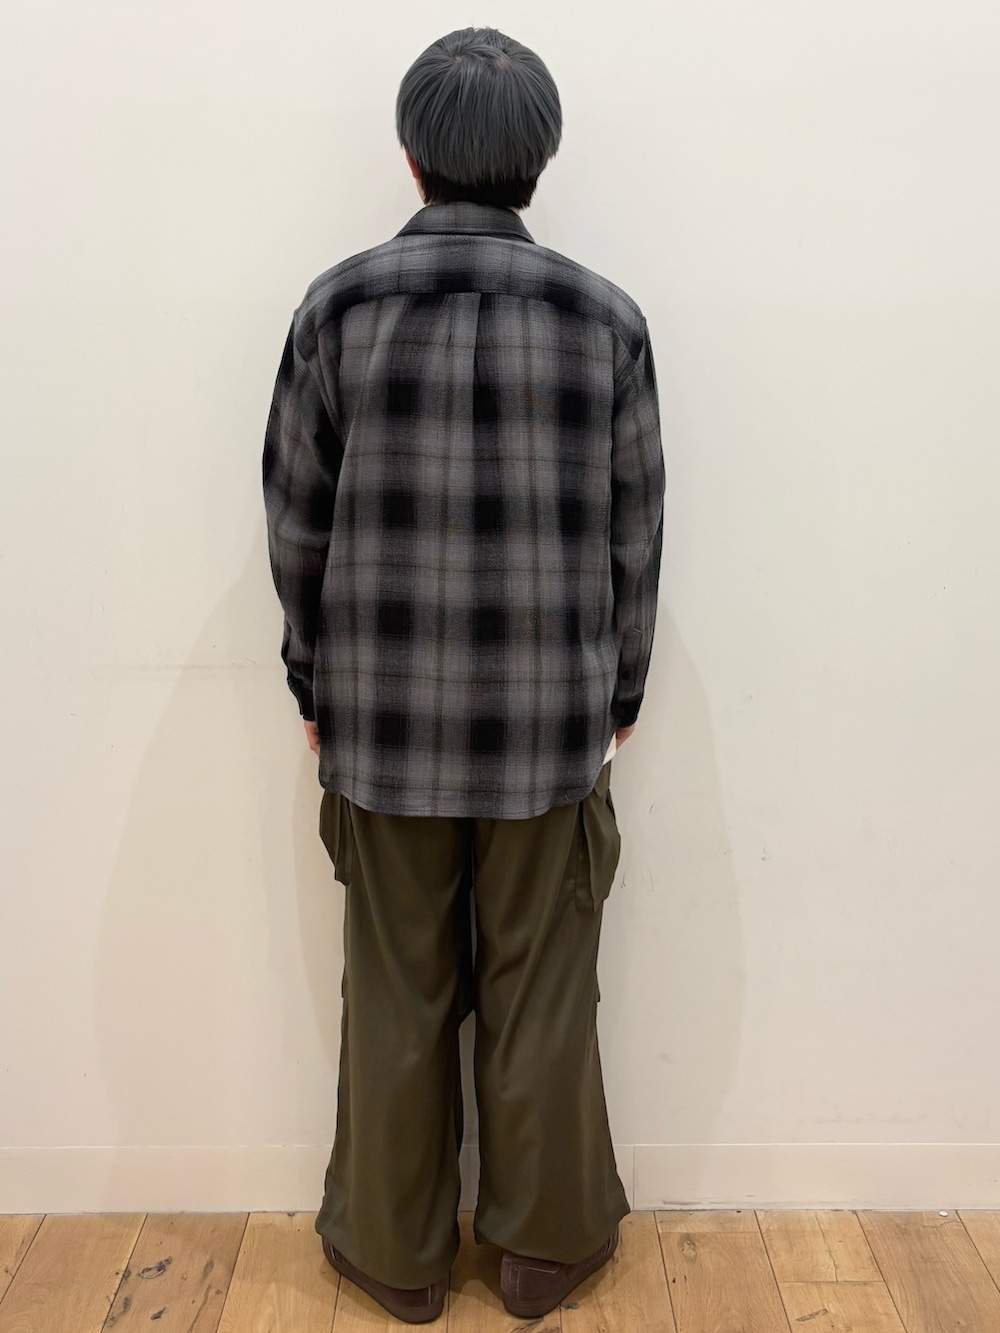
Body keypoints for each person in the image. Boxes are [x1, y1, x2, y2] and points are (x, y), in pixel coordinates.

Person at [263, 26, 665, 1324]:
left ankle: (397, 1254)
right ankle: (543, 1254)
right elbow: (637, 536)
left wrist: (313, 683)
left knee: (396, 991)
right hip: (550, 732)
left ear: (411, 153)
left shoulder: (337, 308)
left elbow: (295, 522)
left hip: (383, 728)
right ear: (541, 159)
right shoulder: (606, 321)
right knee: (542, 995)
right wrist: (618, 698)